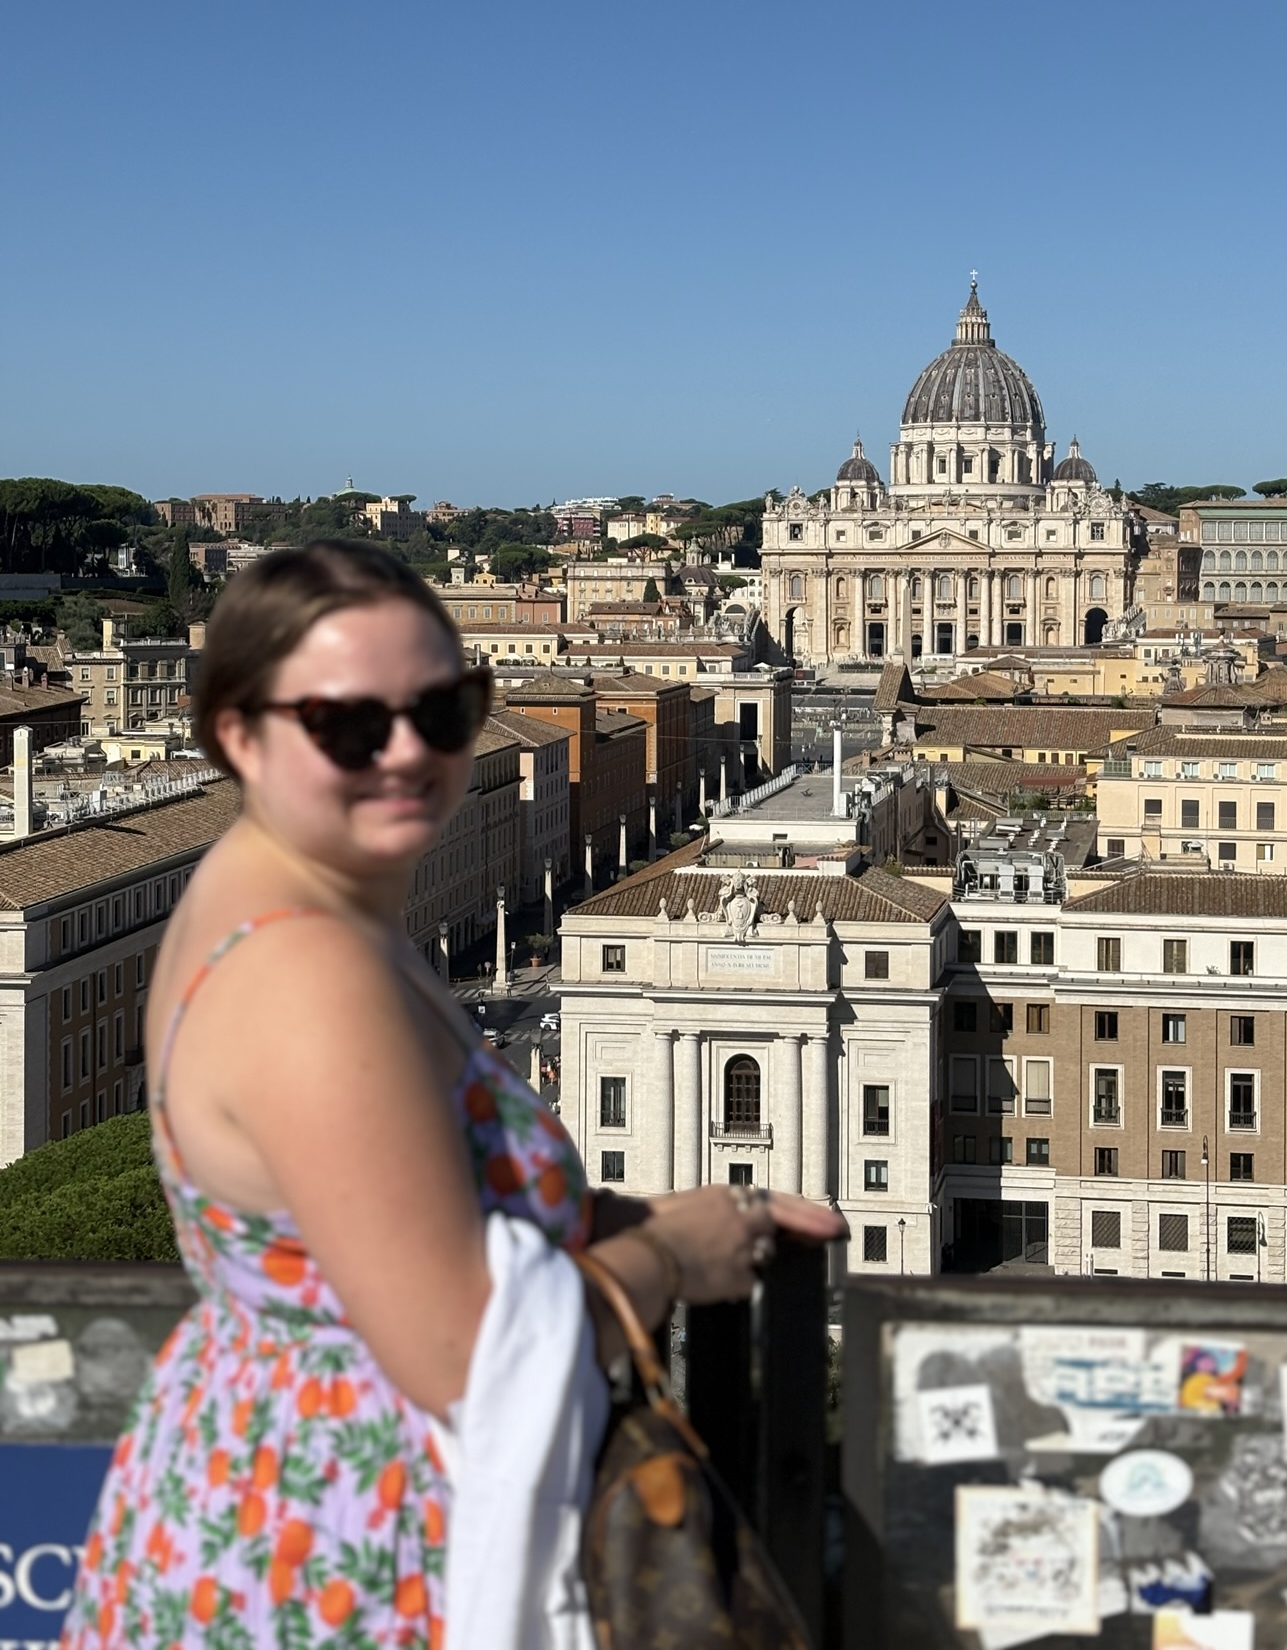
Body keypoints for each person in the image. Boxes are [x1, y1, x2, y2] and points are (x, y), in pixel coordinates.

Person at [63, 542, 843, 1649]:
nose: (408, 751)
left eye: (444, 710)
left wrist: (641, 1213)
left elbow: (395, 1227)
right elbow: (465, 1355)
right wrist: (672, 1257)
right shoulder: (307, 973)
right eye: (346, 723)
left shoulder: (296, 908)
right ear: (236, 733)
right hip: (339, 1548)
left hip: (283, 1493)